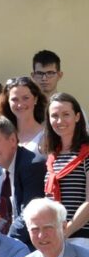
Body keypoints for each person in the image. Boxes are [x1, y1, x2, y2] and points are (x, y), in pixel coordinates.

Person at [0, 115, 46, 245]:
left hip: (32, 244)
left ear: (13, 140)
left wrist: (5, 246)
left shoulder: (32, 165)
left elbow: (29, 213)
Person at [43, 92, 89, 247]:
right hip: (56, 236)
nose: (60, 120)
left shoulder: (87, 153)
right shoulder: (52, 156)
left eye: (66, 114)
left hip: (81, 237)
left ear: (77, 117)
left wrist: (66, 232)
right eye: (54, 116)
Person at [0, 76, 46, 154]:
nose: (20, 105)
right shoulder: (2, 135)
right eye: (14, 99)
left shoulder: (46, 137)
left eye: (25, 98)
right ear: (8, 102)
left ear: (35, 99)